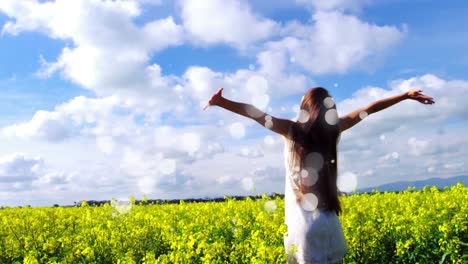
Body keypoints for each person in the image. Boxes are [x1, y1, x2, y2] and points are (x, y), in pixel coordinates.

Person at [203, 87, 434, 263]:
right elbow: (370, 109)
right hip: (328, 222)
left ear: (304, 108)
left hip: (301, 227)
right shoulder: (334, 130)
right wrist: (404, 96)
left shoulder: (291, 130)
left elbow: (255, 113)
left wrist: (221, 102)